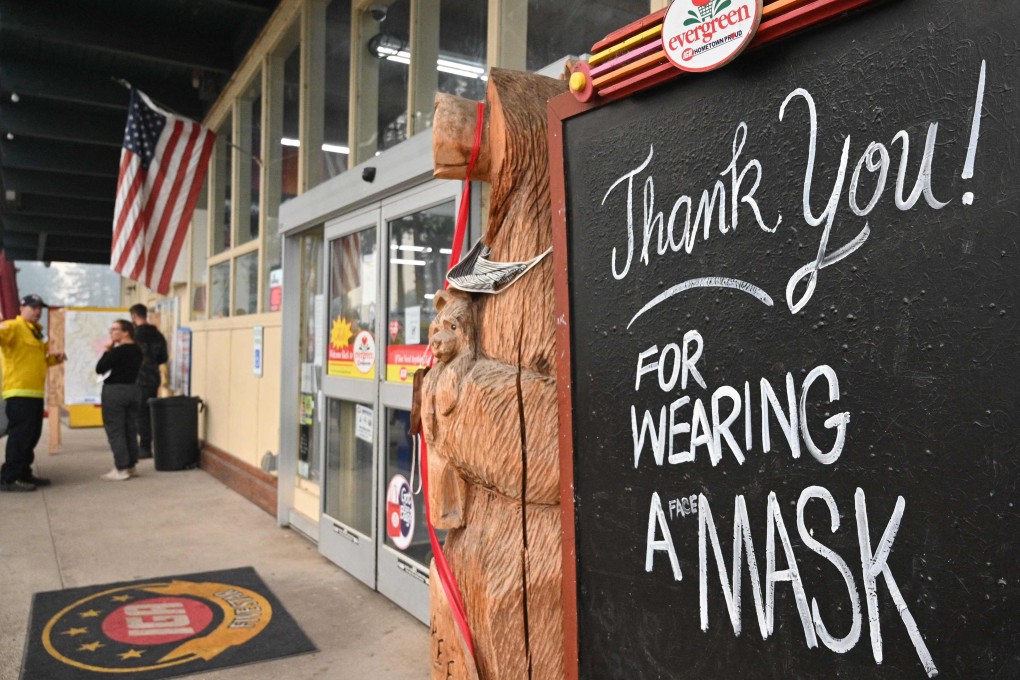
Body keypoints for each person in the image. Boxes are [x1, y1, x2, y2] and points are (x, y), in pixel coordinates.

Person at [0, 294, 66, 492]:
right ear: (22, 308)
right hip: (18, 393)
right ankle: (10, 477)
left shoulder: (36, 333)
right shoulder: (14, 327)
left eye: (39, 308)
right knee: (20, 436)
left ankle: (23, 472)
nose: (37, 311)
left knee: (31, 435)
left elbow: (38, 361)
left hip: (35, 394)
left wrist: (55, 358)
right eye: (33, 307)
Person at [96, 319, 143, 481]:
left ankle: (121, 467)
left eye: (115, 329)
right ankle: (131, 465)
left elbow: (100, 368)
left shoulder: (117, 351)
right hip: (133, 390)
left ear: (126, 332)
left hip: (115, 391)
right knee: (130, 427)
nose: (111, 332)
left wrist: (108, 350)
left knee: (115, 429)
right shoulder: (137, 350)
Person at [129, 304, 167, 459]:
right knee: (150, 410)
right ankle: (154, 443)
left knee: (140, 413)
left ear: (134, 316)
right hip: (153, 377)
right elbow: (163, 358)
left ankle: (144, 447)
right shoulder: (158, 335)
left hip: (138, 377)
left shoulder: (134, 336)